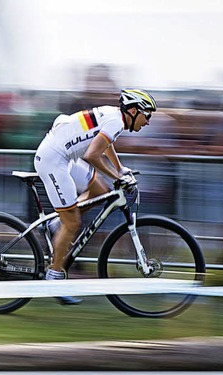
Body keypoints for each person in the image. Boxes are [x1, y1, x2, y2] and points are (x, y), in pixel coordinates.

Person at [34, 89, 156, 304]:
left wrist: (119, 170)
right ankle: (53, 276)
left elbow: (105, 144)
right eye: (147, 115)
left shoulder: (116, 118)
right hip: (54, 160)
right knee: (72, 223)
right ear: (134, 111)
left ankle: (56, 223)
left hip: (65, 157)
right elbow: (92, 155)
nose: (147, 122)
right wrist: (117, 177)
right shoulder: (117, 121)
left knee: (101, 190)